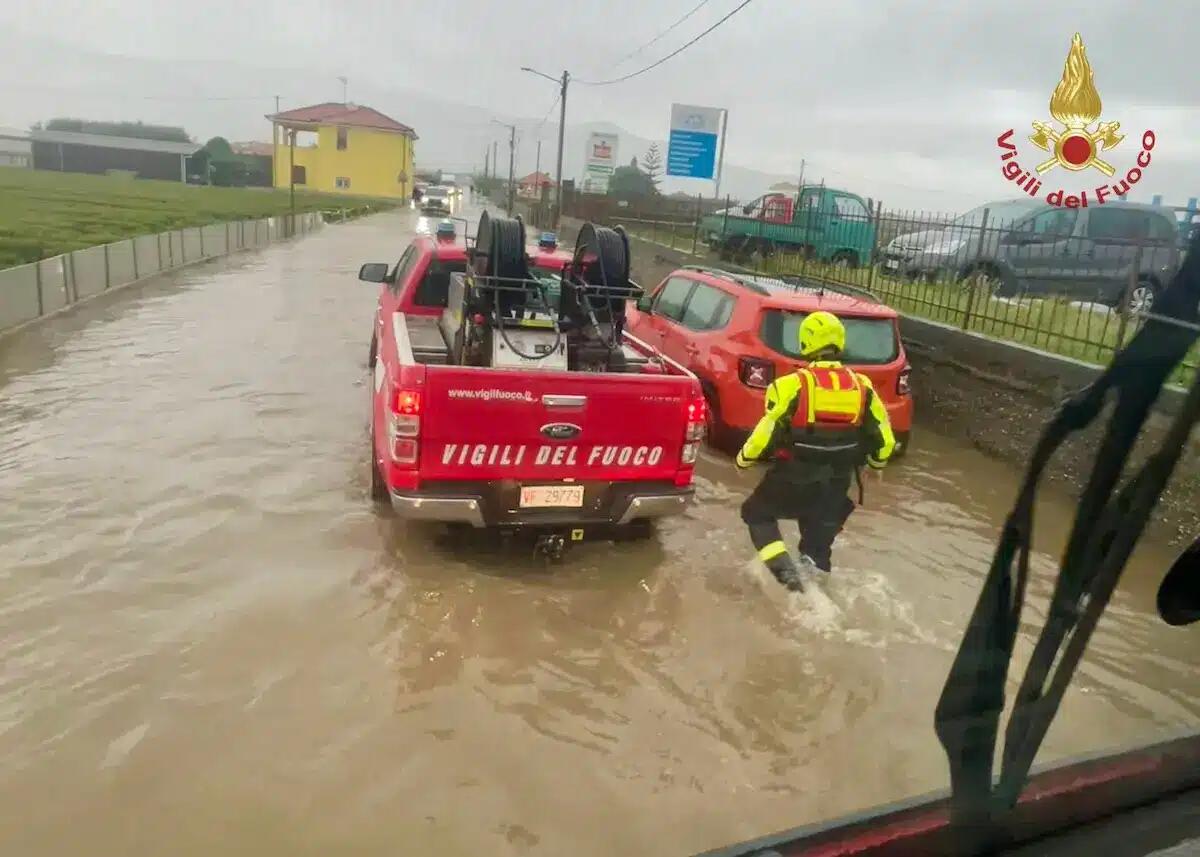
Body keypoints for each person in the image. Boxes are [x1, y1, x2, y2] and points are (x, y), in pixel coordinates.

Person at [735, 311, 896, 591]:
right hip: (837, 483)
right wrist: (876, 464)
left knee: (756, 513)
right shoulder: (864, 387)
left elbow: (766, 432)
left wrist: (744, 460)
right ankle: (820, 594)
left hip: (794, 476)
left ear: (806, 343)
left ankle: (789, 582)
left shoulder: (789, 386)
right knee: (817, 545)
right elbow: (886, 439)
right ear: (840, 343)